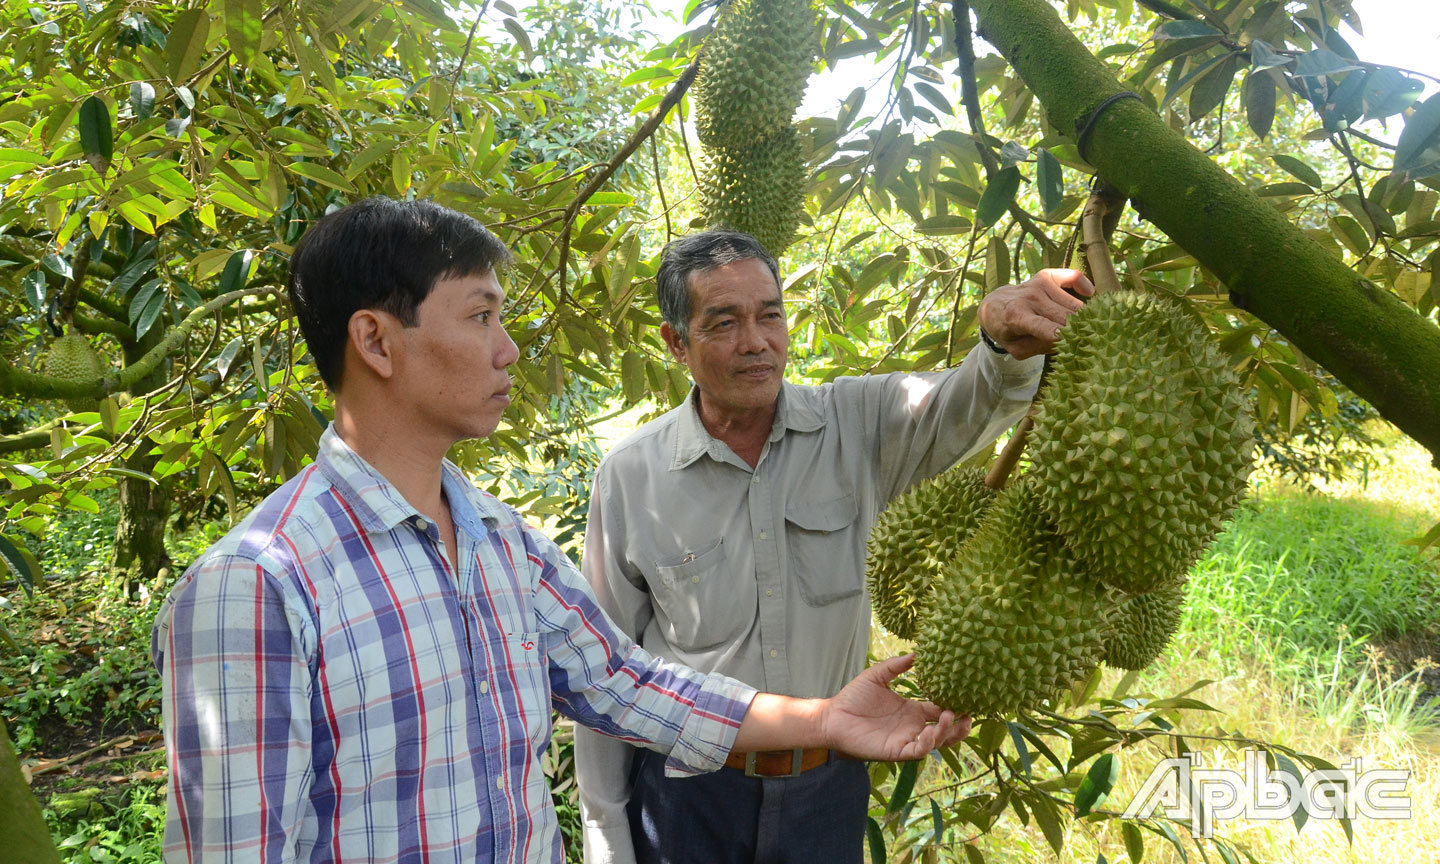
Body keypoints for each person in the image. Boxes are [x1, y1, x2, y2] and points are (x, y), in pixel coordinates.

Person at [149, 198, 971, 864]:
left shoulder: (502, 544)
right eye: (480, 317)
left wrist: (822, 720)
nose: (508, 351)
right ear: (375, 341)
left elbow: (630, 684)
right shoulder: (258, 585)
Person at [574, 230, 1094, 864]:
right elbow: (604, 674)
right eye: (724, 322)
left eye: (770, 315)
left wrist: (999, 339)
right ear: (676, 342)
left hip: (826, 789)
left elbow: (973, 401)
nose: (756, 341)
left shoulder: (859, 423)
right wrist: (607, 836)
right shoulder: (631, 475)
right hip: (688, 795)